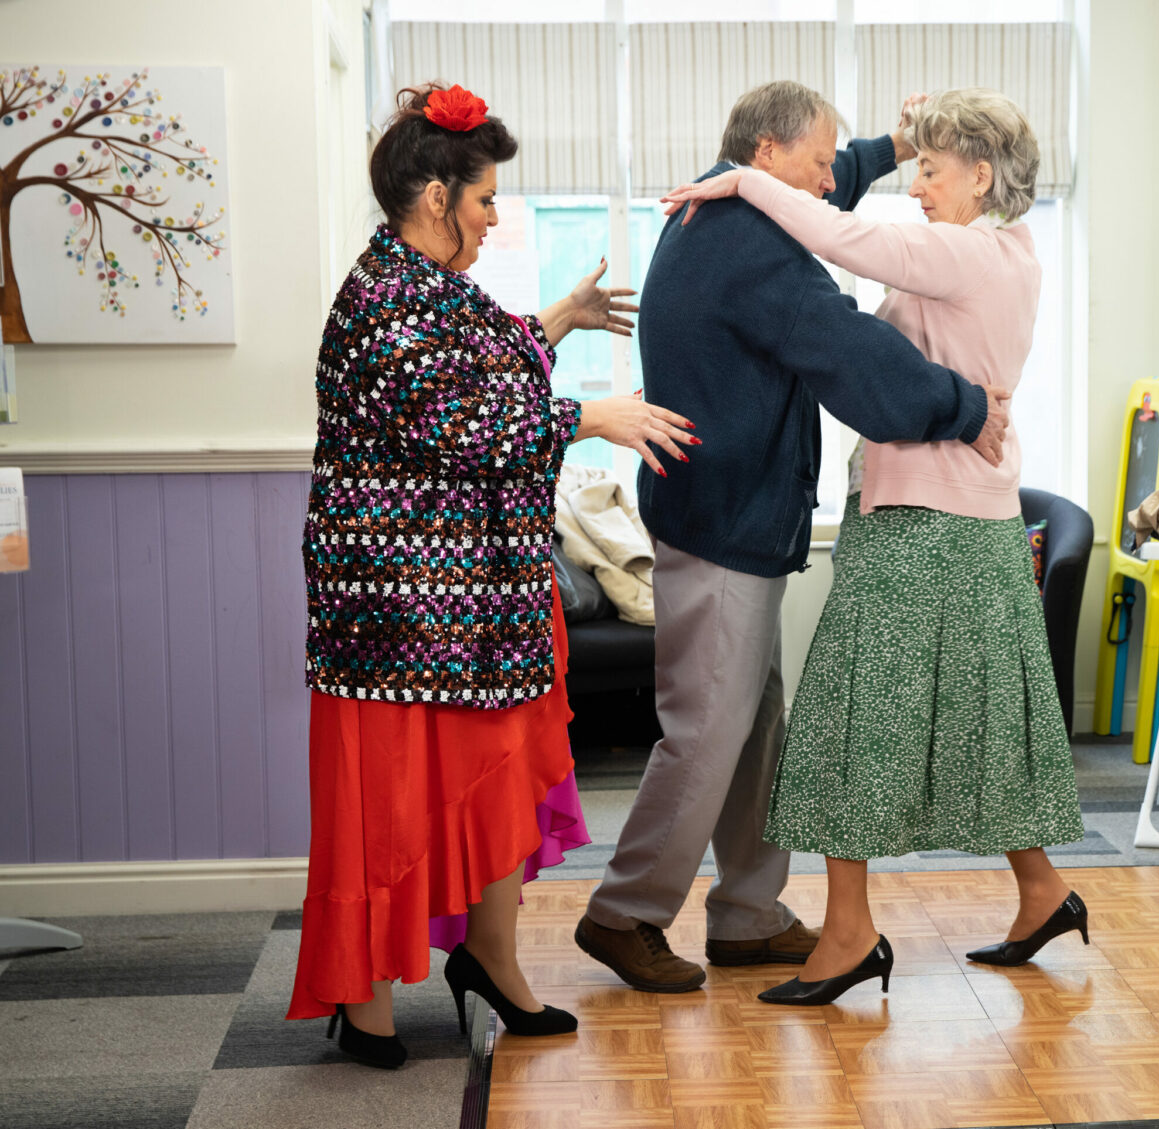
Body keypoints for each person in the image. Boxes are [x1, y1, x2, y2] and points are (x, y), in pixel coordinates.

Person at [287, 83, 696, 1066]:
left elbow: (482, 363)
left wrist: (556, 317)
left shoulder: (429, 287)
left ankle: (494, 963)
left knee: (494, 783)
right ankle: (366, 999)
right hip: (397, 618)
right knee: (392, 805)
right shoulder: (382, 299)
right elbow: (463, 423)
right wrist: (594, 416)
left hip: (478, 610)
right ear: (435, 194)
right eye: (483, 199)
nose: (494, 215)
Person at [573, 80, 1010, 993]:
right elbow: (848, 350)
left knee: (754, 722)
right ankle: (624, 912)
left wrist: (890, 146)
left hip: (727, 514)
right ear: (766, 160)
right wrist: (964, 407)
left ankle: (746, 913)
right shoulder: (756, 248)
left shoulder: (728, 205)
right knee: (706, 730)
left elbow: (829, 190)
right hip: (725, 519)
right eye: (816, 162)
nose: (830, 182)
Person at [660, 87, 1087, 1006]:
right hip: (962, 516)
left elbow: (841, 235)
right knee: (981, 724)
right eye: (916, 166)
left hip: (923, 519)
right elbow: (858, 284)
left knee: (845, 723)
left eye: (932, 169)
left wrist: (739, 184)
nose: (916, 185)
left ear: (982, 174)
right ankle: (1043, 889)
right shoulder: (1005, 250)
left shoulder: (968, 252)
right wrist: (881, 147)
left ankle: (849, 934)